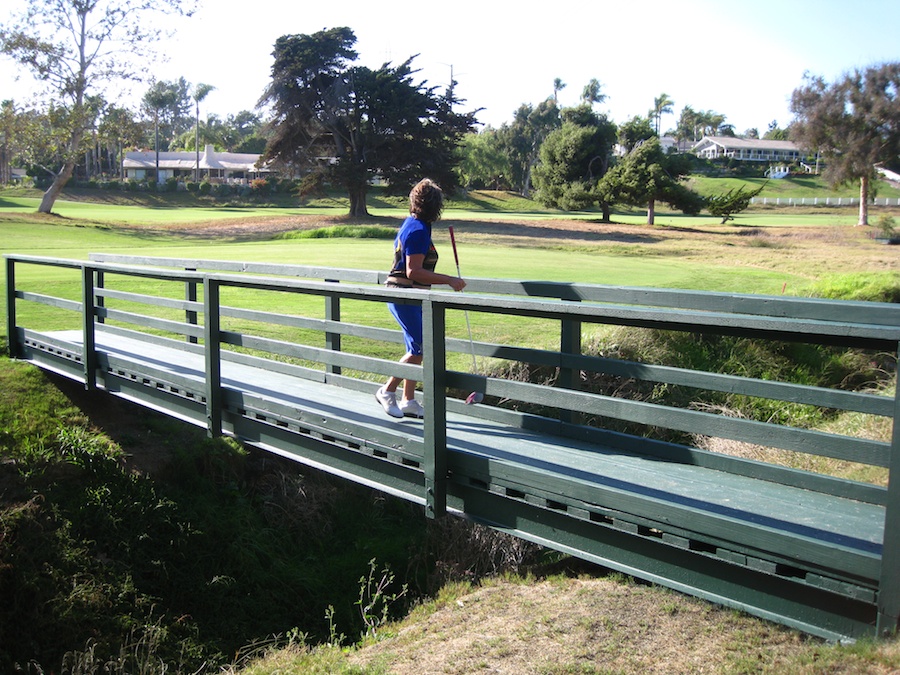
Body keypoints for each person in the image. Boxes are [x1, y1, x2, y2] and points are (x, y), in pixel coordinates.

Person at [376, 178, 466, 418]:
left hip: (410, 295)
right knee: (419, 348)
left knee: (416, 347)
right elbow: (413, 272)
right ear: (436, 205)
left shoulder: (414, 224)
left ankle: (408, 400)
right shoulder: (417, 229)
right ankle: (387, 390)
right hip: (404, 295)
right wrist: (449, 280)